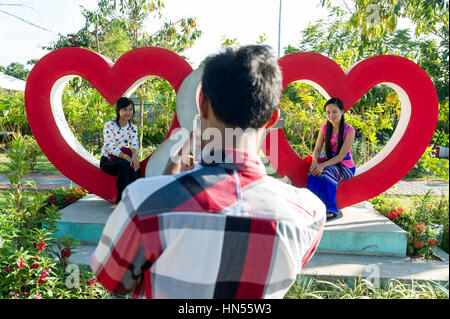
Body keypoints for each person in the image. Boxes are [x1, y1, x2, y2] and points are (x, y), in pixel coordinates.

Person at [90, 45, 326, 299]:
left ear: (202, 107)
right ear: (271, 119)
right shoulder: (308, 213)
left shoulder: (143, 202)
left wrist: (162, 192)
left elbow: (114, 282)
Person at [307, 97, 356, 221]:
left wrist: (322, 166)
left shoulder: (349, 131)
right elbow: (317, 149)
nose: (331, 115)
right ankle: (310, 206)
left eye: (334, 112)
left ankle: (330, 209)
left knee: (327, 172)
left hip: (345, 166)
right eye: (328, 112)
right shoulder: (324, 128)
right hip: (329, 162)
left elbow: (340, 156)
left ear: (342, 112)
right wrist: (314, 163)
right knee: (313, 172)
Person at [99, 97, 140, 204]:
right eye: (124, 110)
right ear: (118, 111)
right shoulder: (109, 125)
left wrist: (134, 158)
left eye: (130, 109)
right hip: (108, 161)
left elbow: (134, 143)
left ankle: (137, 199)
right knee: (125, 164)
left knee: (135, 166)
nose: (128, 112)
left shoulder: (133, 127)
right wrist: (128, 158)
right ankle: (122, 202)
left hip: (123, 159)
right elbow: (110, 147)